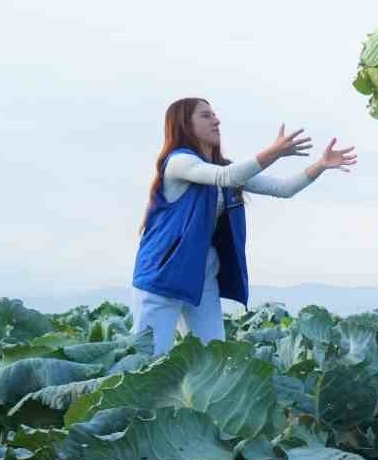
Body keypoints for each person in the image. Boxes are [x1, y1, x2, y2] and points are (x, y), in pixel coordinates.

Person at [131, 97, 355, 354]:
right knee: (148, 359)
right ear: (184, 124)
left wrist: (321, 165)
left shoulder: (222, 167)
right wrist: (275, 151)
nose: (216, 120)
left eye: (215, 114)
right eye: (205, 115)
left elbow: (283, 189)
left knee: (212, 356)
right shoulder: (178, 163)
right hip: (163, 273)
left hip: (202, 272)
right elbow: (228, 177)